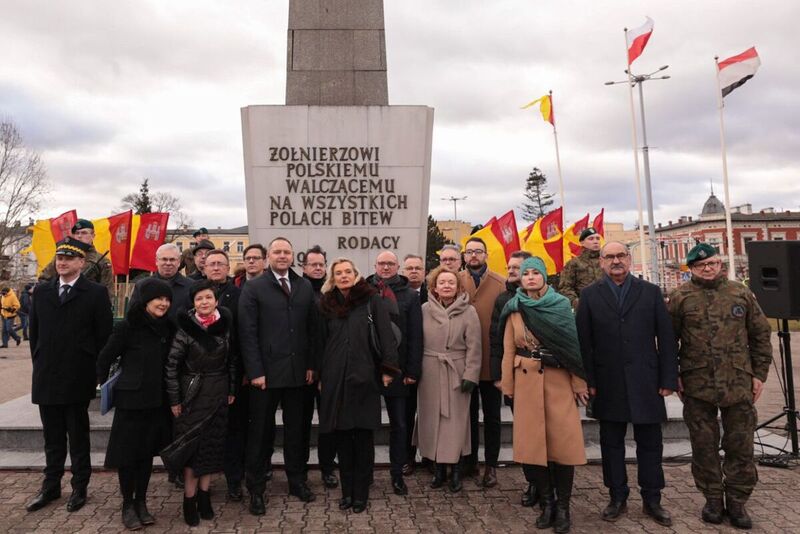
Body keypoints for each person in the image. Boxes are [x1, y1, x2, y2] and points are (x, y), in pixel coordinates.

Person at [667, 244, 772, 529]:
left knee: (740, 444)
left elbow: (760, 334)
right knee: (704, 445)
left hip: (738, 381)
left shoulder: (740, 293)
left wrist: (759, 373)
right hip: (697, 383)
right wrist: (673, 373)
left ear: (720, 263)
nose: (708, 268)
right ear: (692, 269)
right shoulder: (680, 297)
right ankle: (712, 498)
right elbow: (668, 341)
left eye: (712, 263)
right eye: (701, 266)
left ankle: (737, 501)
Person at [576, 241, 678, 527]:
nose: (616, 260)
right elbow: (585, 343)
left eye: (621, 255)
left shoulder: (650, 292)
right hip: (608, 383)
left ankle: (652, 499)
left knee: (650, 444)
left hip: (646, 381)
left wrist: (668, 378)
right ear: (601, 262)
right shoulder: (589, 296)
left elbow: (666, 338)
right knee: (611, 445)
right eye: (609, 256)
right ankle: (617, 496)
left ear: (629, 259)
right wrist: (589, 381)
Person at [499, 257, 589, 533]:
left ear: (545, 277)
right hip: (525, 383)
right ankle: (547, 502)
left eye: (536, 273)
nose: (530, 278)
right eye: (526, 274)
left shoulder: (561, 305)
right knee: (532, 448)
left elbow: (572, 347)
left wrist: (579, 383)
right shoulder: (513, 308)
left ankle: (563, 507)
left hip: (558, 382)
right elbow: (508, 351)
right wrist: (508, 386)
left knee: (562, 447)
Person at [26, 237, 113, 513]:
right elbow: (35, 335)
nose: (61, 263)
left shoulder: (96, 293)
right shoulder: (42, 292)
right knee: (51, 438)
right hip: (47, 375)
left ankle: (79, 487)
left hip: (78, 375)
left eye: (68, 259)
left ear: (81, 263)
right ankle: (50, 487)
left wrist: (98, 371)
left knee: (78, 437)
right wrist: (39, 363)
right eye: (59, 258)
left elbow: (104, 336)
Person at [239, 237, 319, 515]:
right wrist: (255, 371)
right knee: (260, 433)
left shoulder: (304, 285)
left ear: (292, 255)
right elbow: (247, 334)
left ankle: (297, 481)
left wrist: (312, 365)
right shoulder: (254, 287)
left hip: (299, 374)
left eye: (287, 251)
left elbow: (312, 329)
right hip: (266, 376)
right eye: (277, 252)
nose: (282, 256)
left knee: (297, 432)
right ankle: (256, 489)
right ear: (268, 256)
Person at [318, 258, 399, 513]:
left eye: (347, 272)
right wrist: (320, 375)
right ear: (333, 277)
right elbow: (319, 342)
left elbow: (386, 335)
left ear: (355, 275)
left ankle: (361, 494)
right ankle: (347, 492)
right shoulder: (326, 303)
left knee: (363, 438)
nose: (343, 276)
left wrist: (388, 369)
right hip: (335, 378)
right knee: (342, 438)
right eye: (338, 273)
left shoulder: (371, 299)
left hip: (365, 377)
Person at [96, 278, 175, 530]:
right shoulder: (128, 326)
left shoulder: (169, 327)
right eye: (158, 298)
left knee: (145, 455)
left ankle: (141, 501)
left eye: (166, 299)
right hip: (131, 402)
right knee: (128, 455)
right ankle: (128, 504)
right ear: (145, 301)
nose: (163, 303)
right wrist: (106, 387)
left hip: (157, 401)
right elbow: (105, 358)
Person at [164, 279, 237, 527]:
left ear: (216, 301)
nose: (204, 302)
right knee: (191, 450)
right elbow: (172, 366)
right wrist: (175, 399)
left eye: (208, 298)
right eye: (199, 299)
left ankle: (205, 497)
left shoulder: (226, 325)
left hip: (219, 393)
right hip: (192, 395)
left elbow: (233, 361)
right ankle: (189, 499)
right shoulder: (185, 329)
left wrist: (232, 389)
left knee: (212, 448)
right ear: (193, 304)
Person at [415, 266, 481, 493]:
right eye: (441, 282)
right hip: (430, 372)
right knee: (432, 421)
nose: (446, 286)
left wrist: (471, 374)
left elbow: (475, 347)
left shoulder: (469, 311)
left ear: (458, 287)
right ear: (434, 287)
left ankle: (456, 471)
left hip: (457, 372)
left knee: (456, 424)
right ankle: (438, 470)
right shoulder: (423, 309)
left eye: (450, 283)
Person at [366, 250, 423, 496]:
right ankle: (365, 472)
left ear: (397, 266)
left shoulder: (409, 295)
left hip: (399, 370)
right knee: (366, 424)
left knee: (399, 424)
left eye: (390, 264)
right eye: (382, 263)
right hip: (368, 368)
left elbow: (415, 336)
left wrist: (412, 370)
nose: (386, 267)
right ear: (375, 266)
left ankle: (397, 474)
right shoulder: (363, 291)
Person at [457, 237, 505, 487]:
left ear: (486, 255)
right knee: (468, 416)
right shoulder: (456, 280)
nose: (474, 256)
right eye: (470, 252)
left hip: (491, 361)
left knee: (493, 417)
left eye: (478, 251)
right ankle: (470, 461)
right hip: (464, 362)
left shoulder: (500, 283)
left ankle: (492, 466)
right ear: (464, 256)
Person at [488, 250, 532, 504]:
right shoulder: (502, 299)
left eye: (517, 266)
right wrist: (499, 376)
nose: (511, 269)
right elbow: (495, 339)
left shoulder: (549, 297)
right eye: (509, 266)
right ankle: (533, 482)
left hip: (545, 376)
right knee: (524, 431)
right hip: (515, 374)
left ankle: (548, 481)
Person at [300, 245, 338, 489]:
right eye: (312, 264)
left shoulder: (333, 293)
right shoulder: (296, 291)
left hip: (328, 369)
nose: (317, 268)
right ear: (304, 267)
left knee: (328, 423)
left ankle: (327, 467)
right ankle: (300, 468)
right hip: (303, 369)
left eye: (320, 264)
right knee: (300, 422)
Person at [40, 219, 115, 298]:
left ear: (93, 236)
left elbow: (107, 291)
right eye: (76, 233)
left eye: (84, 233)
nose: (79, 236)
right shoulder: (61, 257)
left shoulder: (102, 260)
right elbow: (44, 279)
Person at [401, 253, 427, 475]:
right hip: (407, 364)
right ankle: (408, 457)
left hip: (432, 361)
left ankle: (429, 456)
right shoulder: (397, 295)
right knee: (407, 413)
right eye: (409, 268)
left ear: (424, 271)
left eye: (418, 268)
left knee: (429, 411)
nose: (414, 271)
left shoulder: (435, 293)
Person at [128, 243, 192, 321]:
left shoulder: (191, 286)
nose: (168, 263)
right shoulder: (142, 286)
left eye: (172, 259)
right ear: (156, 261)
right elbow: (132, 316)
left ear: (178, 262)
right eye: (164, 259)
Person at [558, 227, 603, 309]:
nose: (596, 241)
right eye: (591, 239)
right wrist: (577, 302)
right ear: (582, 242)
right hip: (584, 308)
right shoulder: (574, 263)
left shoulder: (606, 261)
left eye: (597, 238)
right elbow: (565, 287)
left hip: (607, 306)